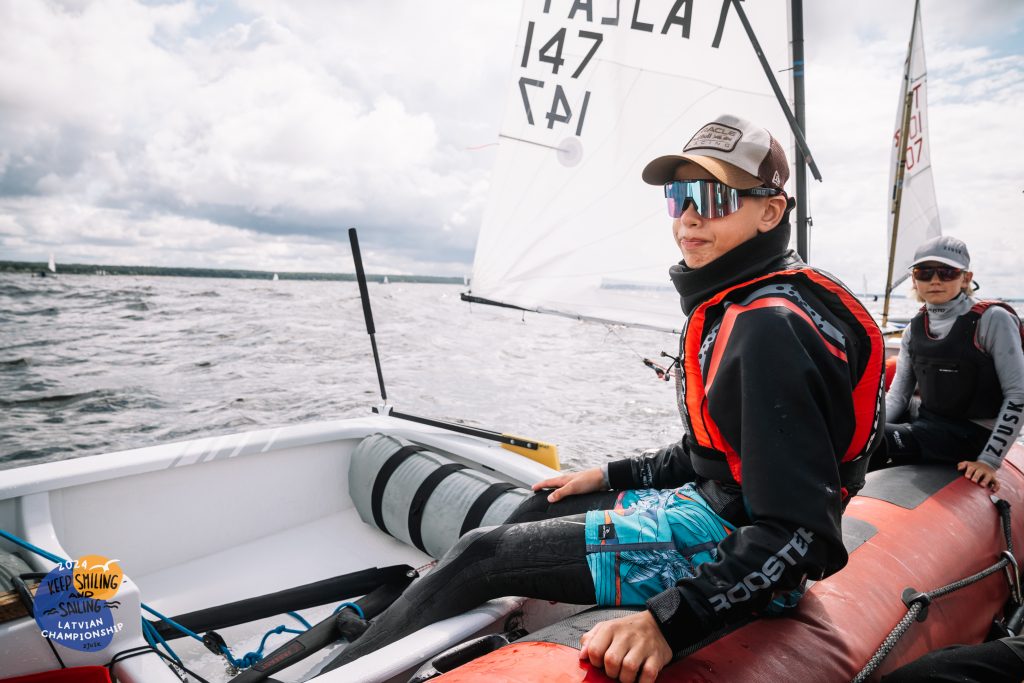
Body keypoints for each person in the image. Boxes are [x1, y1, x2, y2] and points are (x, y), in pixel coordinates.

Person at [324, 114, 885, 683]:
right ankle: (424, 626)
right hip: (715, 506)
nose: (690, 217)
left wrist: (668, 623)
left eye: (715, 197)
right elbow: (717, 454)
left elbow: (799, 536)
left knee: (479, 556)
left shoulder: (769, 329)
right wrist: (609, 474)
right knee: (542, 504)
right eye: (680, 197)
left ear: (770, 211)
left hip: (739, 551)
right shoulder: (744, 301)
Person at [872, 235, 1024, 492]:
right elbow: (898, 396)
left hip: (972, 435)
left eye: (947, 272)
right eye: (924, 272)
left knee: (873, 442)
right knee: (854, 431)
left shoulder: (992, 320)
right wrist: (868, 430)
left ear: (965, 278)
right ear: (914, 279)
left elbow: (1018, 394)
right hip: (928, 424)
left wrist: (988, 461)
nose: (935, 280)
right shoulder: (914, 328)